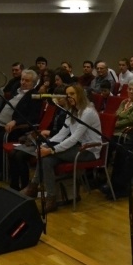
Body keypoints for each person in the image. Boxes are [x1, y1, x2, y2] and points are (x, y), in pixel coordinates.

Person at [20, 84, 101, 212]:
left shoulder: (88, 112)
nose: (69, 97)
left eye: (72, 94)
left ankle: (34, 186)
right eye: (67, 95)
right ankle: (51, 198)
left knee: (46, 155)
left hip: (88, 150)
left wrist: (51, 150)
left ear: (80, 95)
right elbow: (62, 133)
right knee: (46, 159)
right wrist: (46, 144)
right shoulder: (71, 111)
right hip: (77, 147)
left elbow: (74, 138)